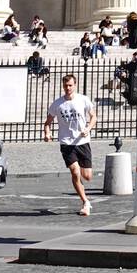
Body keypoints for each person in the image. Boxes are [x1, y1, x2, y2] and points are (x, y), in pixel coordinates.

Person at [44, 73, 96, 216]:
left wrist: (88, 128)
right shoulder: (57, 104)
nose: (68, 88)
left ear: (75, 85)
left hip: (82, 141)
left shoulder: (83, 100)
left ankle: (83, 189)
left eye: (70, 85)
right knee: (74, 172)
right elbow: (47, 122)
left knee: (87, 176)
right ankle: (85, 202)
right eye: (65, 86)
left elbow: (93, 117)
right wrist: (47, 133)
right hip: (66, 143)